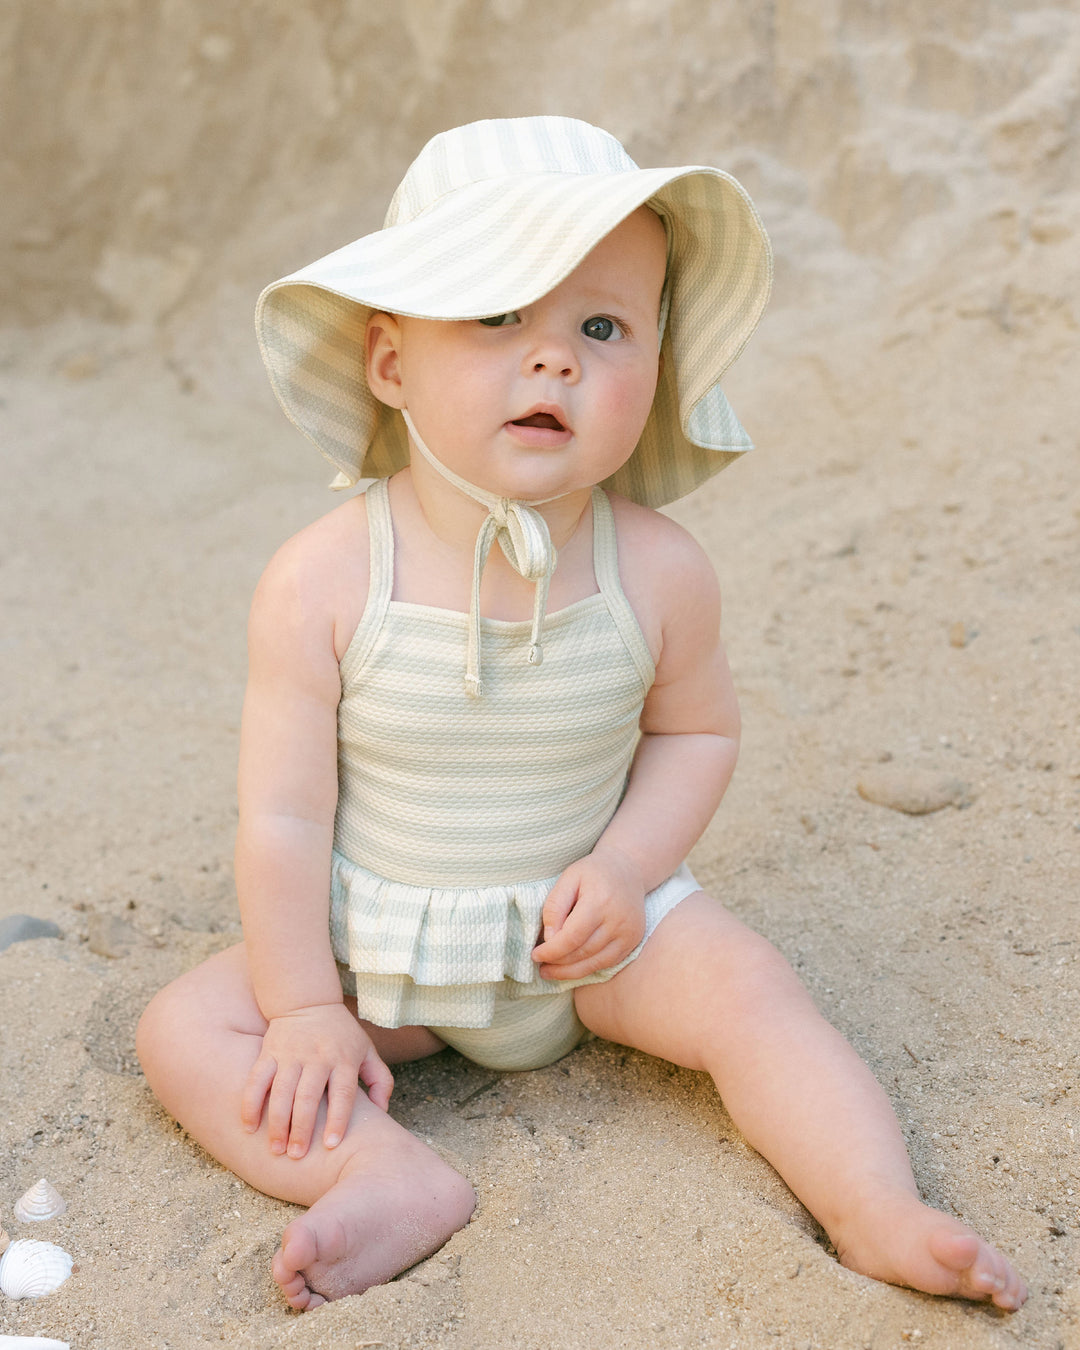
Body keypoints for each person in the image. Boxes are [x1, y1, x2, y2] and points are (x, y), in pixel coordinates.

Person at [136, 116, 1027, 1314]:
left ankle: (872, 1204)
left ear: (653, 370)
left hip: (595, 942)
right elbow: (285, 816)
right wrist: (304, 1007)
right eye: (499, 315)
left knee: (755, 994)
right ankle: (387, 1173)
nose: (553, 360)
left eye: (600, 328)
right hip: (382, 951)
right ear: (389, 362)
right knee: (190, 1030)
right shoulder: (326, 578)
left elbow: (696, 733)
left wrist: (625, 868)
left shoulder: (656, 570)